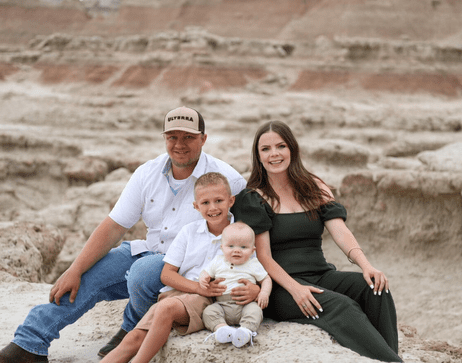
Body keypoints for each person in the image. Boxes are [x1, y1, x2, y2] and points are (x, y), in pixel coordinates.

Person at [0, 107, 258, 363]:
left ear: (203, 138)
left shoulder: (227, 179)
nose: (180, 144)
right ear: (164, 138)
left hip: (188, 267)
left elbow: (246, 235)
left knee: (144, 270)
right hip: (147, 251)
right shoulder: (147, 173)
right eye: (172, 137)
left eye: (188, 137)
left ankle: (129, 329)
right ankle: (29, 344)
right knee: (89, 275)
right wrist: (74, 269)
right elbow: (113, 225)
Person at [230, 120, 402, 362]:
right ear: (258, 157)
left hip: (320, 275)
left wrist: (366, 266)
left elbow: (340, 231)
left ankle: (388, 356)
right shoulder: (253, 198)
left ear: (292, 149)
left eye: (281, 146)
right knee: (342, 306)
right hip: (281, 288)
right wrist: (296, 289)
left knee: (375, 288)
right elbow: (264, 257)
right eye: (265, 149)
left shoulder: (314, 187)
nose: (274, 154)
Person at [100, 172, 237, 363]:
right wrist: (196, 287)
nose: (212, 208)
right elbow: (167, 274)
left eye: (219, 201)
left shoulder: (240, 233)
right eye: (205, 203)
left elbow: (252, 269)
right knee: (133, 337)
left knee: (166, 308)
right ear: (196, 206)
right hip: (180, 294)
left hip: (212, 300)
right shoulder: (189, 232)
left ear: (231, 201)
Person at [199, 222, 272, 348]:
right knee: (208, 311)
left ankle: (245, 331)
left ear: (252, 250)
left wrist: (264, 293)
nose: (237, 251)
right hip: (222, 305)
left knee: (256, 311)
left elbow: (266, 279)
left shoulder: (253, 263)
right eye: (231, 246)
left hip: (246, 305)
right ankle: (222, 329)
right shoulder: (218, 261)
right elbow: (205, 273)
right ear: (222, 248)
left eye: (243, 247)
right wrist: (203, 278)